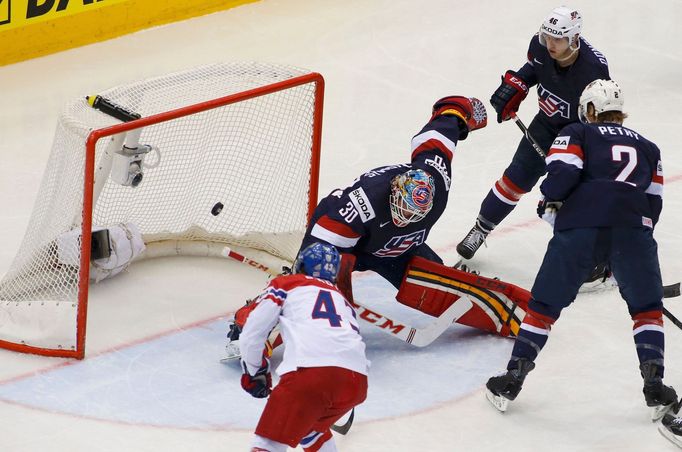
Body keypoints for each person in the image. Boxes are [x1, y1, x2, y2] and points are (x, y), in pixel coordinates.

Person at [226, 95, 529, 359]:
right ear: (393, 194)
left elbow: (439, 131)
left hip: (395, 249)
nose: (405, 219)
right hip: (342, 245)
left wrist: (461, 112)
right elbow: (322, 255)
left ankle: (511, 312)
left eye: (413, 217)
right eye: (401, 213)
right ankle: (250, 325)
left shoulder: (434, 177)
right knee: (314, 297)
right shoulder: (354, 208)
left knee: (439, 283)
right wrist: (334, 298)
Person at [485, 79, 680, 422]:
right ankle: (655, 385)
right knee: (647, 309)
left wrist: (550, 199)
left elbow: (563, 175)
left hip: (581, 230)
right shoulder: (650, 148)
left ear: (591, 110)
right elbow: (654, 204)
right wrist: (629, 239)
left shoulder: (577, 132)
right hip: (634, 229)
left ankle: (512, 379)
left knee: (543, 307)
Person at [456, 6, 610, 262]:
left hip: (577, 136)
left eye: (557, 39)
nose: (550, 44)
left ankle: (596, 251)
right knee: (514, 179)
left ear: (573, 38)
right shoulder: (540, 48)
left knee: (574, 196)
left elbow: (600, 116)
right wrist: (515, 85)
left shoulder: (593, 69)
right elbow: (532, 71)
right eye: (547, 37)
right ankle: (480, 229)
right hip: (545, 126)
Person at [239, 242, 369, 452]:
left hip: (311, 374)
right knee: (310, 429)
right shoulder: (341, 299)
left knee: (267, 444)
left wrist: (254, 372)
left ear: (300, 266)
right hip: (356, 382)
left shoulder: (287, 284)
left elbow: (252, 334)